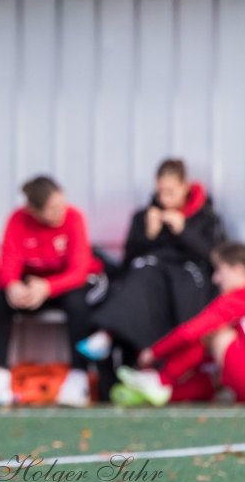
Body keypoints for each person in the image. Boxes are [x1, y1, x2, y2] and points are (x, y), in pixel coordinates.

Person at [114, 243, 245, 406]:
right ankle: (165, 394)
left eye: (220, 271)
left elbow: (191, 332)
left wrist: (153, 353)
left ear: (238, 270)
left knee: (215, 335)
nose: (216, 279)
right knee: (222, 359)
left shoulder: (240, 297)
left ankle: (161, 381)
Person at [76, 159, 224, 374]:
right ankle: (112, 335)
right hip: (152, 277)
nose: (164, 198)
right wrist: (149, 235)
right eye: (160, 192)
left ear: (185, 187)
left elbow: (215, 257)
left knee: (169, 285)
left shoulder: (206, 218)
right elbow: (127, 262)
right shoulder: (144, 217)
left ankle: (121, 337)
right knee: (140, 274)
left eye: (171, 192)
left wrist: (184, 231)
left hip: (187, 277)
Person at [0, 176, 106, 407]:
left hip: (64, 286)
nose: (60, 212)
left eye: (61, 204)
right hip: (32, 288)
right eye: (52, 209)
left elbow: (79, 270)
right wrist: (13, 286)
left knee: (78, 304)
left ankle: (79, 375)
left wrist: (47, 287)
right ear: (33, 211)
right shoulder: (18, 220)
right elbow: (9, 261)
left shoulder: (73, 218)